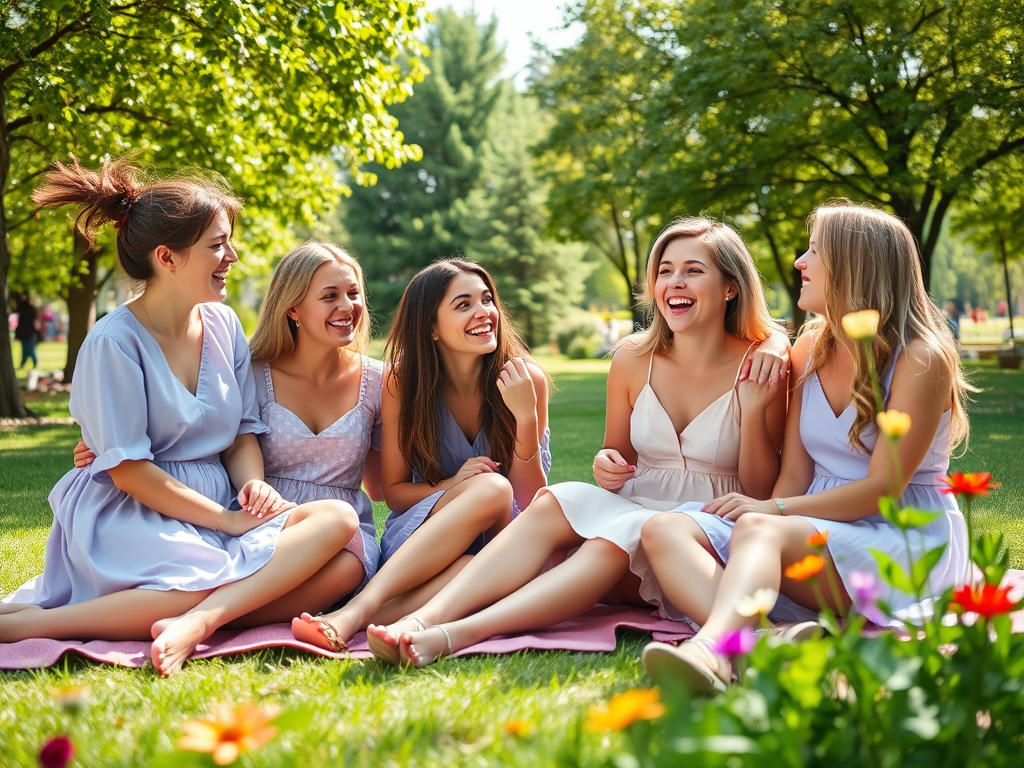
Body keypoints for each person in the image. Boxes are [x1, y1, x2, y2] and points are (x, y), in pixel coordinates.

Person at [369, 217, 792, 667]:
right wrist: (609, 465)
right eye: (665, 270)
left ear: (731, 287)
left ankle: (452, 635)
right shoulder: (633, 357)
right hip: (640, 505)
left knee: (608, 542)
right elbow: (618, 458)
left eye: (693, 270)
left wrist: (754, 400)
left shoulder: (762, 363)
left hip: (709, 522)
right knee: (560, 500)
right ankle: (423, 621)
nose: (674, 282)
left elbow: (761, 490)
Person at [0, 156, 361, 676]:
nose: (232, 256)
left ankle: (200, 616)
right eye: (217, 245)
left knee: (341, 530)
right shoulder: (112, 342)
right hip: (132, 508)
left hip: (217, 501)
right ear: (167, 257)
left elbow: (240, 433)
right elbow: (127, 469)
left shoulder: (223, 324)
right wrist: (226, 522)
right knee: (225, 579)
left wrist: (253, 487)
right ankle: (33, 625)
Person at [639, 201, 972, 694]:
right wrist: (775, 508)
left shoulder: (920, 358)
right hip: (811, 522)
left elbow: (882, 488)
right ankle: (769, 642)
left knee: (759, 529)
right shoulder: (809, 347)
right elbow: (794, 473)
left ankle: (714, 651)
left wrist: (771, 510)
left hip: (898, 534)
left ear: (853, 264)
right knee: (665, 529)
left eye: (814, 250)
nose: (799, 261)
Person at [73, 239, 385, 639]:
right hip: (258, 518)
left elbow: (384, 485)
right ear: (293, 308)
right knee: (216, 574)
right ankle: (200, 615)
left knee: (348, 564)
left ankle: (200, 616)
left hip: (326, 532)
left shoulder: (379, 380)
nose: (347, 306)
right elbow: (199, 430)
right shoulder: (254, 370)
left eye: (353, 293)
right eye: (330, 296)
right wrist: (101, 444)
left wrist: (450, 479)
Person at [292, 258, 552, 654]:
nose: (484, 313)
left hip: (505, 538)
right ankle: (367, 611)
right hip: (422, 538)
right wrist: (453, 486)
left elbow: (530, 501)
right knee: (488, 496)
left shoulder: (524, 379)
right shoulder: (403, 383)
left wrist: (526, 418)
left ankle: (356, 613)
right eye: (463, 305)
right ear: (431, 327)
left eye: (486, 300)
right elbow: (393, 493)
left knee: (495, 496)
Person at [14, 291, 40, 369]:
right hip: (29, 332)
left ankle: (34, 362)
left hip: (27, 332)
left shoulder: (25, 310)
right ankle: (24, 363)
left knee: (29, 348)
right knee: (27, 348)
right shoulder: (30, 309)